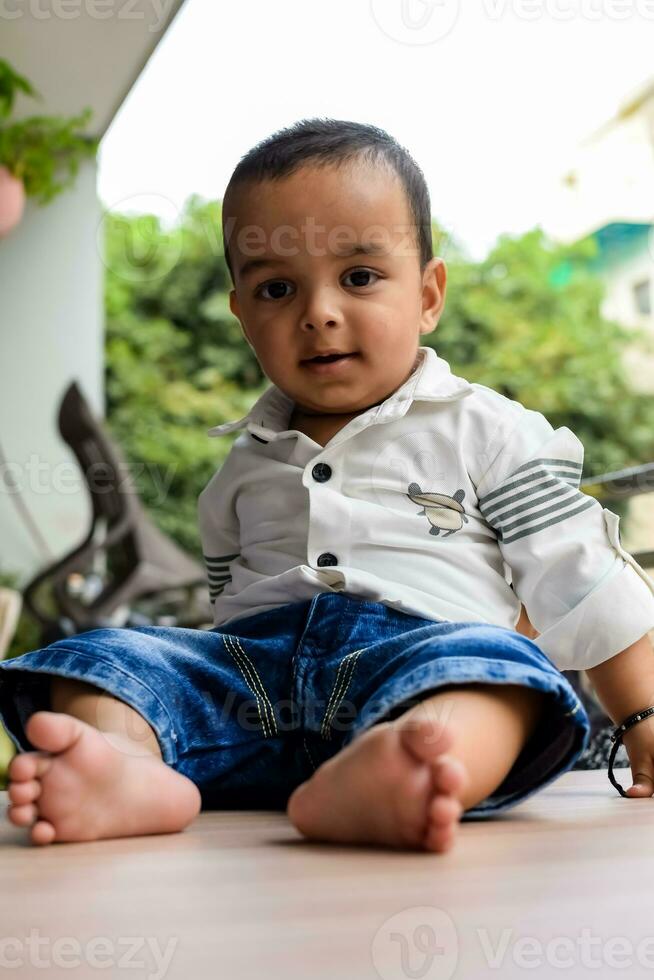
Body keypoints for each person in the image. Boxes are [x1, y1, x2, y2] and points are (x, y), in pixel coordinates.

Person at [3, 118, 654, 852]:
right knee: (105, 659)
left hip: (417, 657)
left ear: (429, 294)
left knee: (502, 677)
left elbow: (585, 579)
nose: (319, 312)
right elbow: (228, 604)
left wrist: (641, 717)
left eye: (360, 277)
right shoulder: (240, 470)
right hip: (254, 676)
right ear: (242, 316)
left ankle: (404, 769)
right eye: (277, 289)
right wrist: (188, 686)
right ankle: (127, 768)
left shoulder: (487, 430)